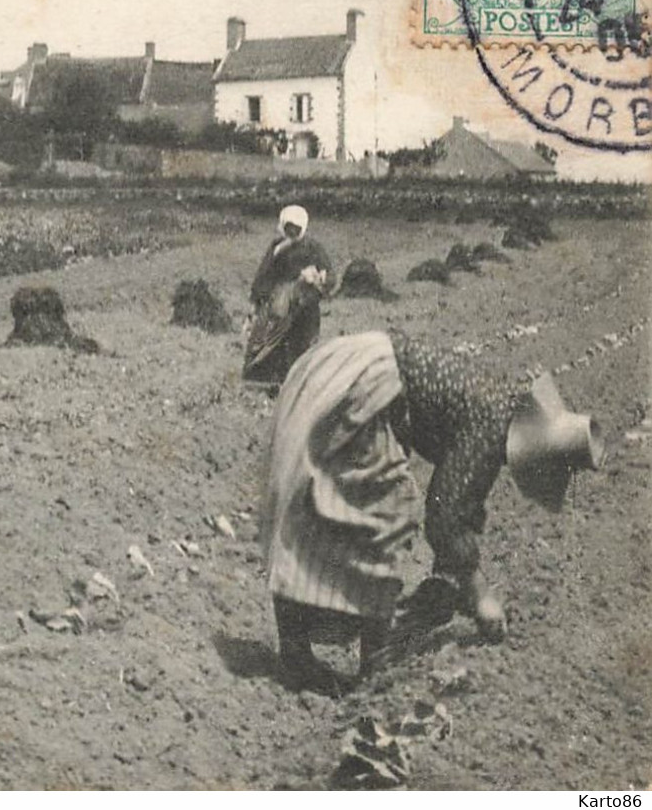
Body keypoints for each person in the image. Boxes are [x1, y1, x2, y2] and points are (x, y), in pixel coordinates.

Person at [260, 329, 603, 692]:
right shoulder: (490, 429)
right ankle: (370, 668)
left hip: (353, 366)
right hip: (366, 383)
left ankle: (303, 650)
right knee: (381, 517)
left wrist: (452, 575)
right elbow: (444, 517)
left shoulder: (500, 404)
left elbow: (464, 500)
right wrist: (479, 594)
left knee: (325, 508)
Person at [244, 204, 333, 385]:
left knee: (303, 342)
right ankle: (267, 379)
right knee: (270, 341)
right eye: (288, 227)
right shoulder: (277, 247)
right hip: (279, 303)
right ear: (282, 226)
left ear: (303, 227)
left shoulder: (313, 247)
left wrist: (320, 277)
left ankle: (299, 382)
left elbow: (329, 273)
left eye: (296, 228)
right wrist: (256, 301)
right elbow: (264, 274)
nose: (292, 232)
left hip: (305, 303)